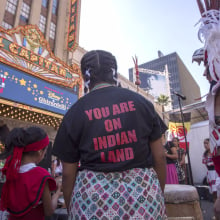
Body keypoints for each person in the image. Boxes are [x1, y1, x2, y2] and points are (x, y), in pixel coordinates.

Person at [52, 49, 167, 219]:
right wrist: (157, 194)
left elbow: (68, 174)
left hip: (92, 201)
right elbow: (160, 157)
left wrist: (72, 207)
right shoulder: (141, 103)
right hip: (144, 197)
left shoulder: (75, 112)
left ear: (86, 77)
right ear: (114, 72)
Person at [0, 126, 62, 220]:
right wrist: (57, 193)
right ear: (40, 151)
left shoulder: (9, 170)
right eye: (45, 151)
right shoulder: (41, 175)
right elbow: (49, 211)